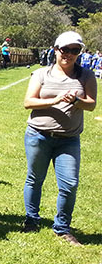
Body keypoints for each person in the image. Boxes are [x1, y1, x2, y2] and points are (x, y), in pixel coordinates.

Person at [22, 31, 96, 247]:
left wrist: (76, 101)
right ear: (55, 50)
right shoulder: (41, 74)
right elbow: (28, 102)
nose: (69, 54)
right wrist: (54, 100)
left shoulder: (86, 75)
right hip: (38, 135)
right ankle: (31, 219)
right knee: (35, 178)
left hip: (69, 140)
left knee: (70, 184)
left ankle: (62, 227)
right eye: (65, 49)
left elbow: (91, 104)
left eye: (75, 50)